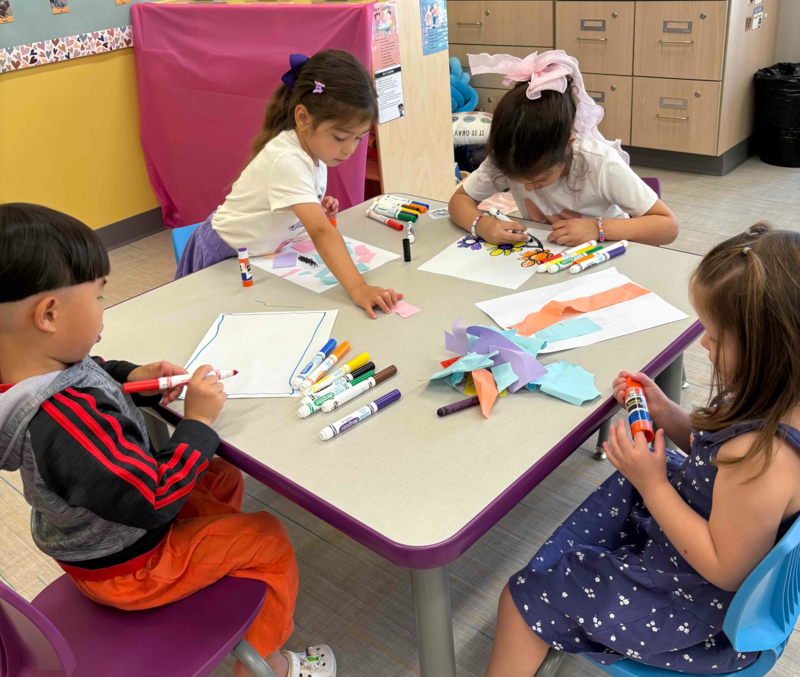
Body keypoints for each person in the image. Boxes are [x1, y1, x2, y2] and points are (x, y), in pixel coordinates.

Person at [0, 203, 337, 677]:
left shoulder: (30, 370)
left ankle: (215, 558)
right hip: (127, 567)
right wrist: (196, 422)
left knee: (217, 473)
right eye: (99, 296)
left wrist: (133, 376)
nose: (103, 310)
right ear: (49, 314)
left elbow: (85, 371)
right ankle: (273, 663)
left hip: (112, 531)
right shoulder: (62, 420)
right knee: (268, 537)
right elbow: (154, 498)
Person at [483, 222, 800, 676]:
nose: (704, 344)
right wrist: (667, 410)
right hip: (713, 545)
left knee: (524, 596)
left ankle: (544, 607)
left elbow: (724, 567)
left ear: (768, 348)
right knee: (639, 476)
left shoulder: (759, 458)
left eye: (716, 335)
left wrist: (651, 484)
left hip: (697, 612)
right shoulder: (777, 399)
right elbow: (712, 458)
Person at [176, 50, 401, 320]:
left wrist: (313, 204)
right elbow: (320, 231)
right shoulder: (288, 159)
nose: (350, 149)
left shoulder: (314, 150)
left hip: (262, 255)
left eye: (358, 138)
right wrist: (359, 287)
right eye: (341, 137)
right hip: (226, 254)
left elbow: (289, 200)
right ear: (303, 118)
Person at [448, 51, 679, 248]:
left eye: (540, 179)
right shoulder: (508, 155)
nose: (528, 188)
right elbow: (459, 199)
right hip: (549, 257)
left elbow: (667, 226)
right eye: (516, 180)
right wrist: (481, 224)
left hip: (605, 254)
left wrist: (598, 229)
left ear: (569, 145)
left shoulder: (599, 162)